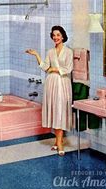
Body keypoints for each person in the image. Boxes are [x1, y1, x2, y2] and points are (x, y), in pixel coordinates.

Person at [26, 25, 73, 156]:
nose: (55, 37)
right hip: (51, 83)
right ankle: (58, 141)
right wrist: (36, 55)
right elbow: (46, 68)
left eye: (58, 35)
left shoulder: (68, 51)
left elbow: (68, 68)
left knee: (61, 110)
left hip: (63, 84)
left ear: (63, 36)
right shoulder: (50, 52)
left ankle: (59, 142)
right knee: (55, 111)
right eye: (53, 35)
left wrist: (55, 69)